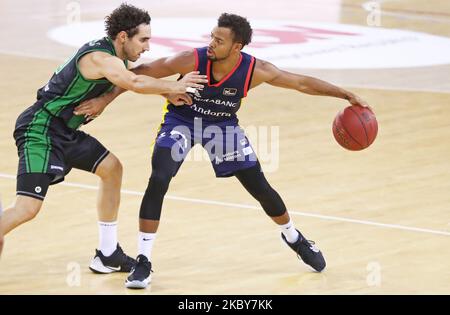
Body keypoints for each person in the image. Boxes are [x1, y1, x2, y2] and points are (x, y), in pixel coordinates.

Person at [75, 13, 369, 289]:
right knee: (160, 176)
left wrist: (345, 94)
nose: (211, 44)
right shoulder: (192, 59)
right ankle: (144, 260)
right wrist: (106, 101)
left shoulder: (256, 70)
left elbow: (302, 83)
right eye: (212, 37)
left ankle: (294, 237)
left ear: (236, 46)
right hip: (183, 122)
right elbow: (139, 73)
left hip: (222, 127)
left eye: (219, 40)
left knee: (260, 187)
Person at [0, 3, 206, 274]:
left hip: (64, 131)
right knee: (27, 208)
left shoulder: (116, 58)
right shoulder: (101, 58)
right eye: (143, 39)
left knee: (111, 168)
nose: (147, 46)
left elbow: (132, 78)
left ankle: (107, 253)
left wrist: (160, 93)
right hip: (40, 129)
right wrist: (173, 86)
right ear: (123, 37)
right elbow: (133, 82)